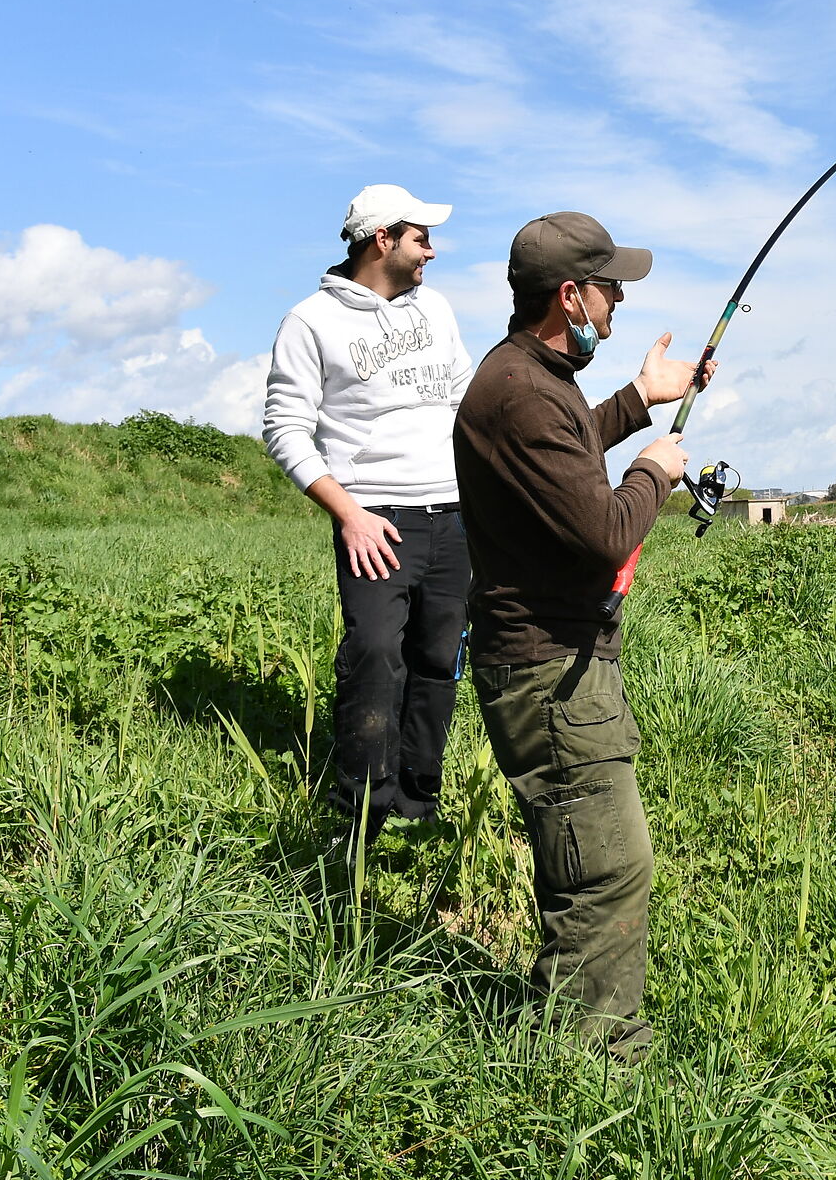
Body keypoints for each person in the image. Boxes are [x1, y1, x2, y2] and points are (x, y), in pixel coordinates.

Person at [452, 210, 710, 1059]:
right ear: (569, 295)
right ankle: (593, 1067)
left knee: (592, 864)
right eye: (610, 288)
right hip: (551, 673)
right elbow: (604, 531)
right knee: (604, 872)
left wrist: (640, 402)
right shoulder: (522, 389)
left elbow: (561, 455)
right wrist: (654, 470)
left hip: (557, 662)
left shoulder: (530, 377)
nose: (619, 303)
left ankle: (566, 1042)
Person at [263, 184, 474, 841]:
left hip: (454, 510)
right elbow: (284, 430)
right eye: (420, 239)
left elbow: (465, 400)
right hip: (376, 515)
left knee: (439, 657)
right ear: (382, 239)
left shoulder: (435, 308)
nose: (431, 252)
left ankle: (418, 800)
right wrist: (349, 514)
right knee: (377, 654)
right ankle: (361, 812)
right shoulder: (310, 322)